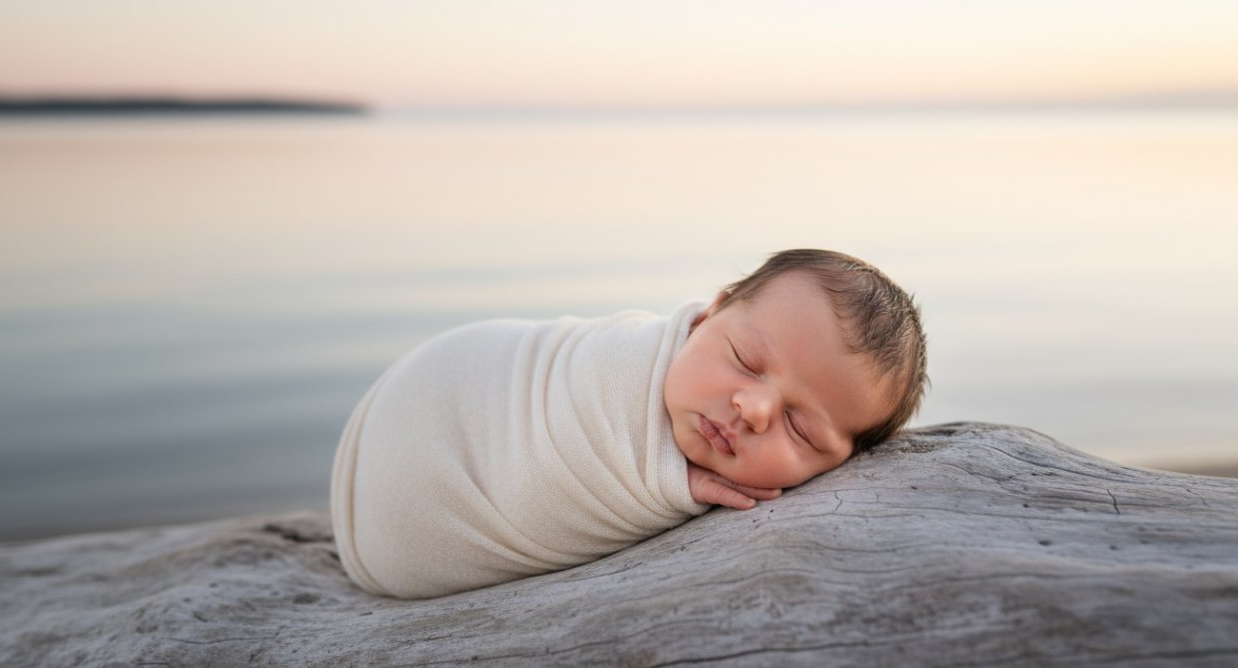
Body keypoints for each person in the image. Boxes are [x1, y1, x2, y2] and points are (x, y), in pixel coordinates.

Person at [331, 249, 927, 598]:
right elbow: (547, 470)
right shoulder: (618, 360)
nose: (755, 410)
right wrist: (669, 485)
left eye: (801, 430)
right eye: (745, 361)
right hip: (432, 415)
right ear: (707, 316)